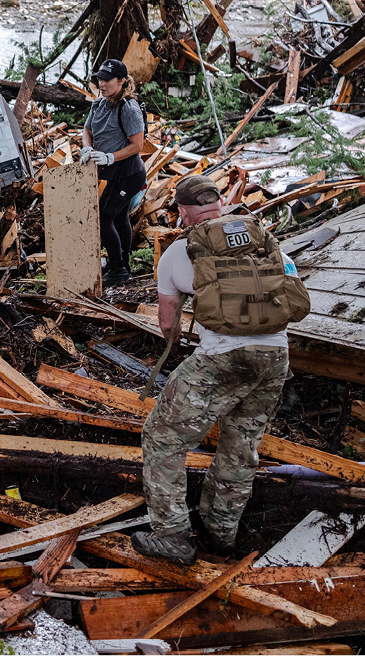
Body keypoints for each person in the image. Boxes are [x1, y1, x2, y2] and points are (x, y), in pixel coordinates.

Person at [132, 175, 298, 565]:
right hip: (276, 356)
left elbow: (167, 324)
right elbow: (290, 288)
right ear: (220, 204)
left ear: (182, 211)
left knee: (161, 438)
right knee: (241, 448)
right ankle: (220, 533)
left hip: (224, 358)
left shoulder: (179, 250)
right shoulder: (261, 238)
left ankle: (172, 534)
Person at [81, 58, 148, 286]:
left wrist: (110, 156)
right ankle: (123, 263)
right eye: (100, 79)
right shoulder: (98, 103)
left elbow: (137, 145)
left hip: (128, 173)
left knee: (103, 217)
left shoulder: (128, 108)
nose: (102, 84)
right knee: (119, 216)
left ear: (121, 81)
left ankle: (118, 269)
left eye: (107, 80)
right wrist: (87, 147)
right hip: (112, 173)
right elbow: (87, 129)